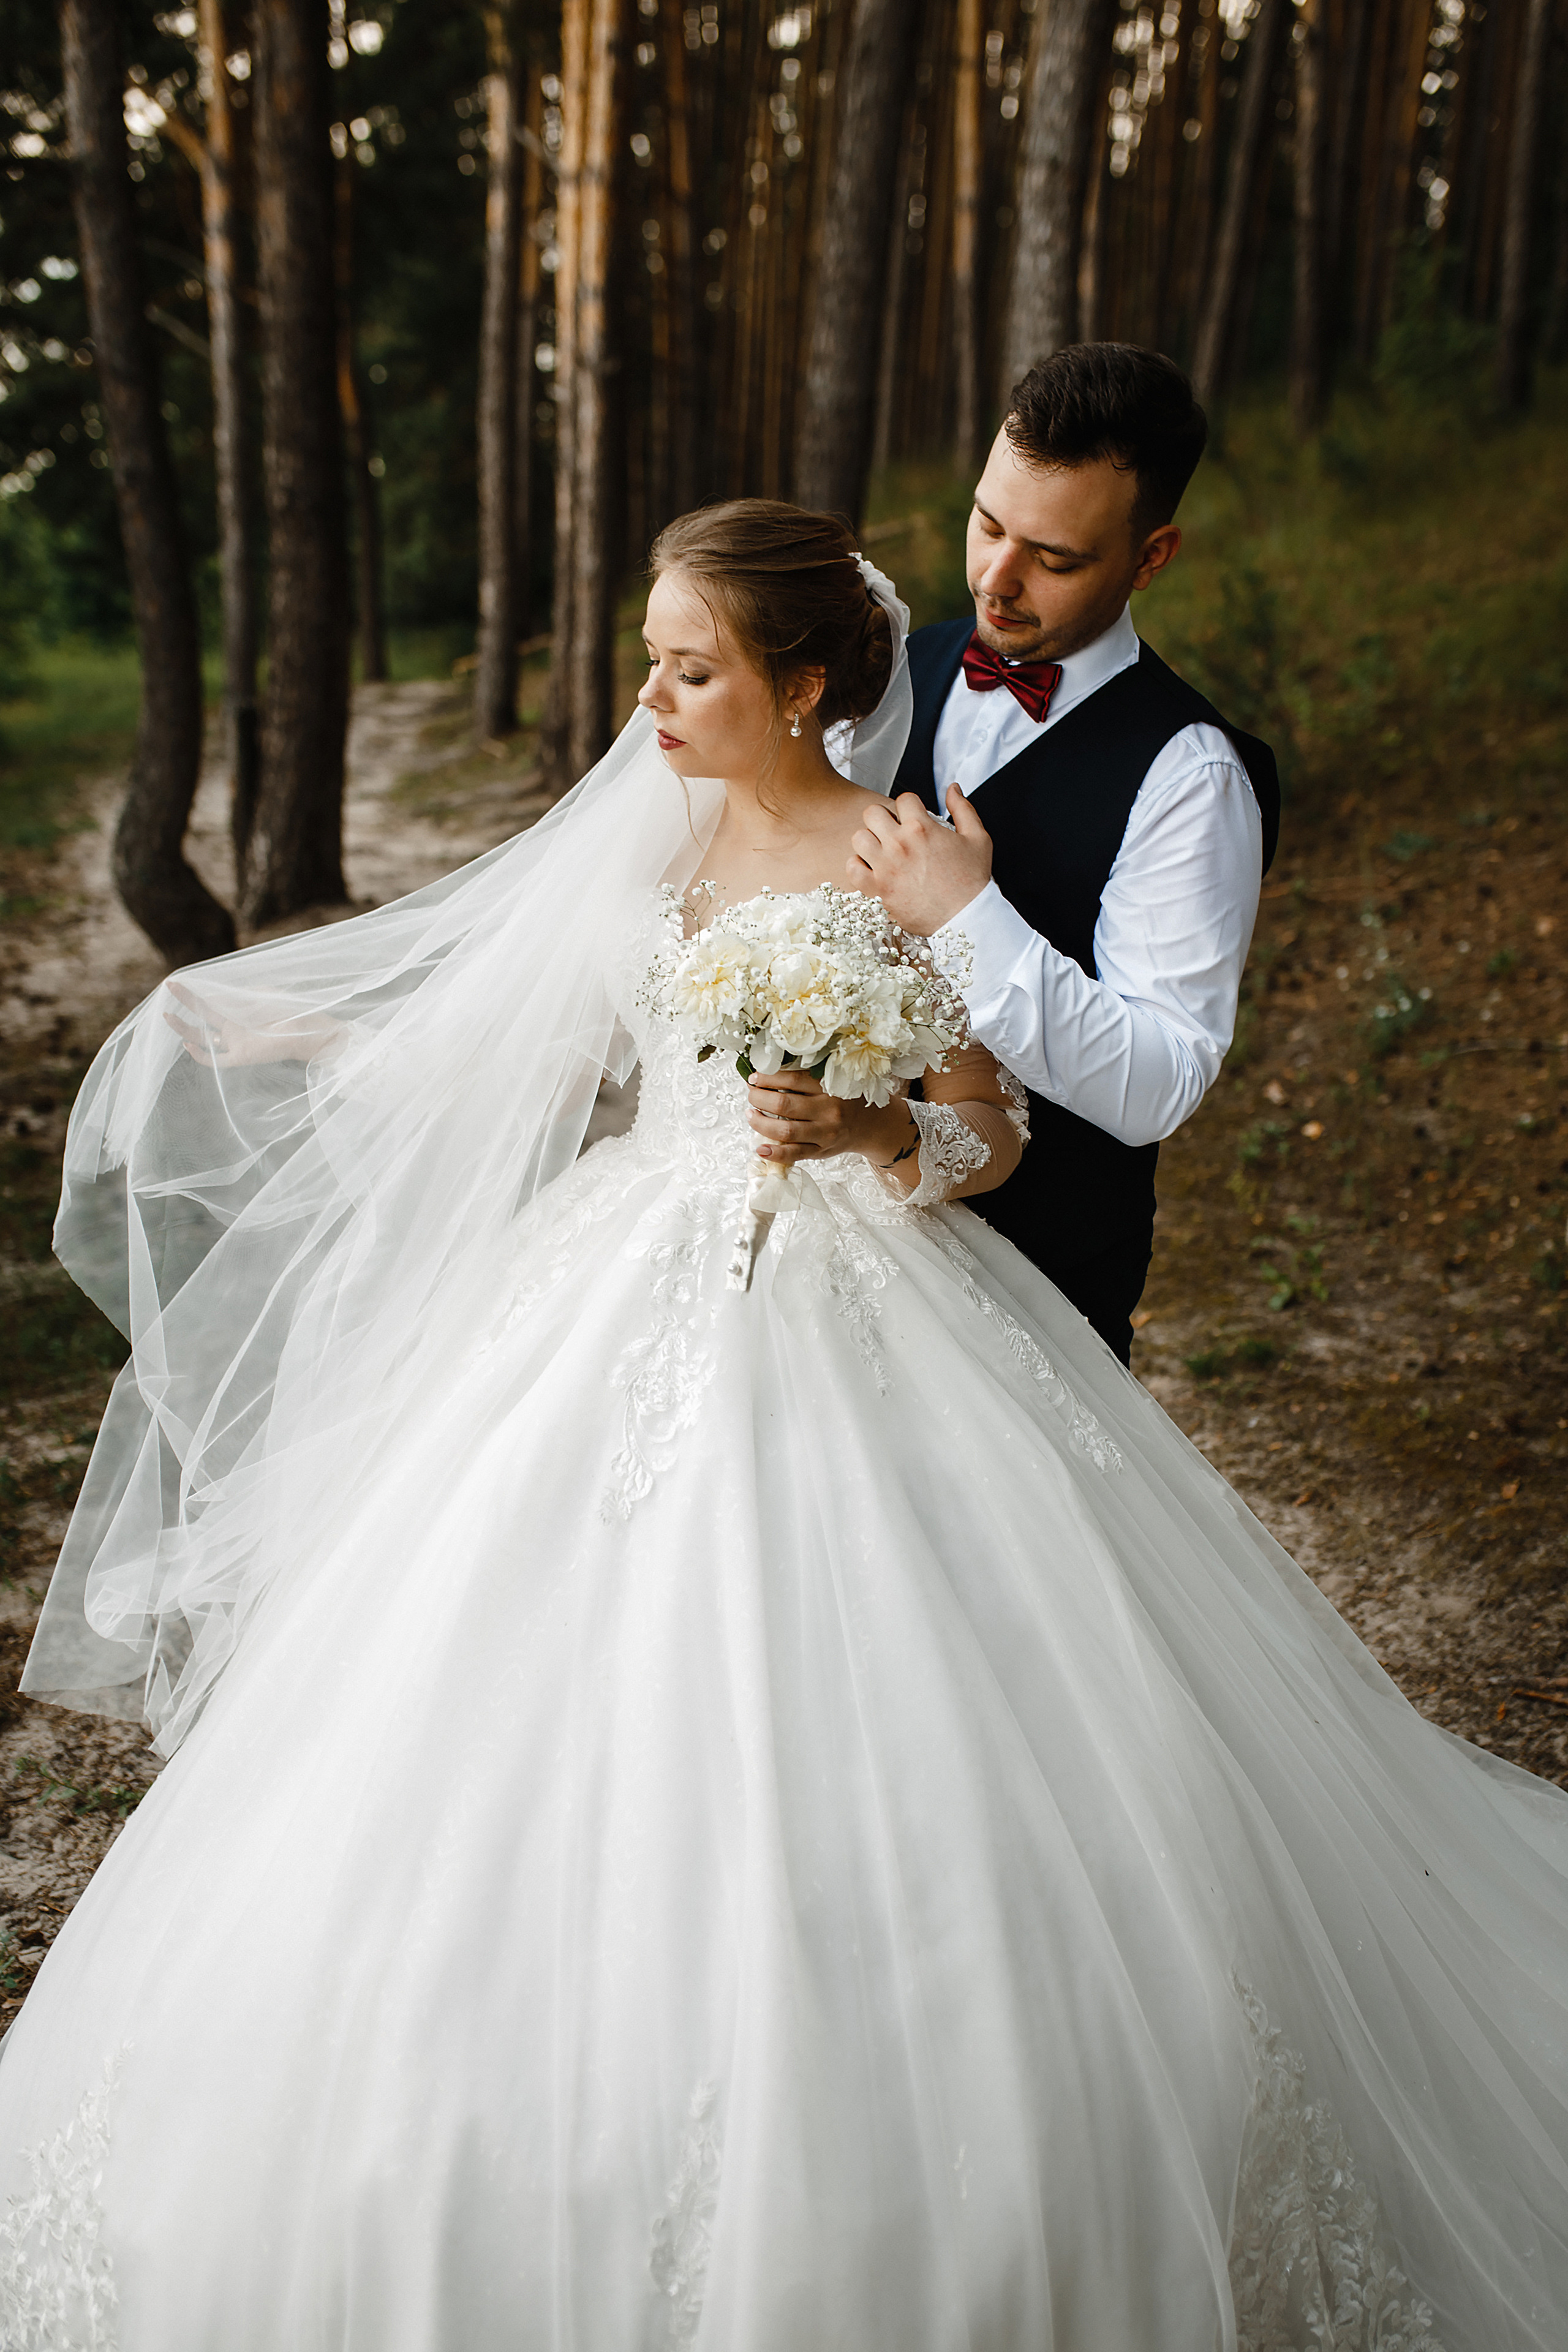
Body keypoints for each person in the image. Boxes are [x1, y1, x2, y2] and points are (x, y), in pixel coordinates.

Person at [1, 503, 1566, 2352]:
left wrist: (877, 1136)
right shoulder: (646, 848)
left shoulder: (901, 858)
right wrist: (296, 1036)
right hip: (608, 1289)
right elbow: (542, 1045)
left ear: (802, 682)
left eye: (691, 668)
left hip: (855, 1309)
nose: (651, 699)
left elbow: (991, 1131)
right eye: (648, 661)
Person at [853, 342, 1279, 1365]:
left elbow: (1160, 1083)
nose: (997, 579)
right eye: (988, 524)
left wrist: (967, 920)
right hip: (836, 1262)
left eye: (1055, 557)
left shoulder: (1191, 775)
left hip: (1033, 1302)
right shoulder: (894, 670)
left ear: (1151, 555)